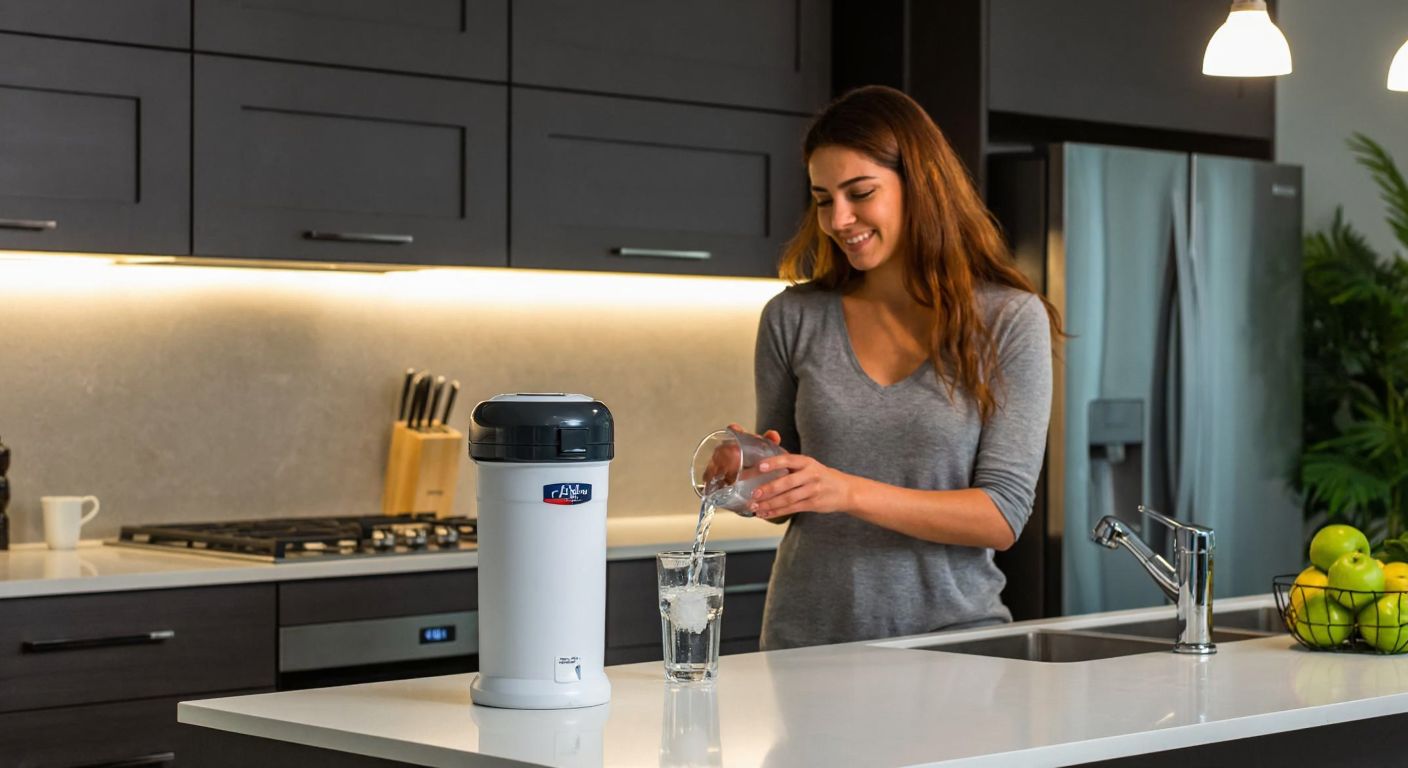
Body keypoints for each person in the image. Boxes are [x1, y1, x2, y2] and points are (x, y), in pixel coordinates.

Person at [742, 85, 1061, 651]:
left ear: (921, 186)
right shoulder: (792, 318)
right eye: (822, 198)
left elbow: (1001, 515)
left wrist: (847, 491)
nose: (839, 219)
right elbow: (783, 492)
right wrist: (747, 472)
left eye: (859, 192)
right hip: (807, 646)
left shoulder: (1008, 321)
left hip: (953, 647)